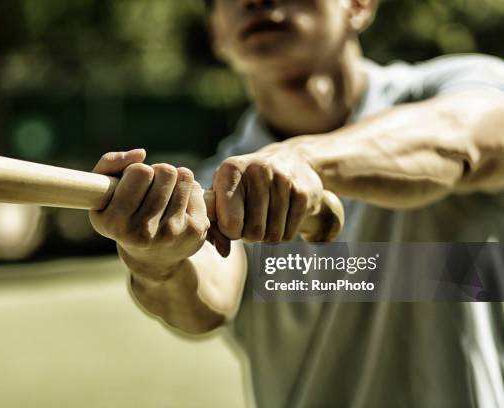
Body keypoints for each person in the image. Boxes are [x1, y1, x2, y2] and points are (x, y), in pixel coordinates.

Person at [89, 0, 504, 406]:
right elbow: (206, 302)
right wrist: (159, 264)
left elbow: (460, 139)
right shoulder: (215, 187)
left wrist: (306, 159)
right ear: (217, 33)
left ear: (359, 5)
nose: (257, 2)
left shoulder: (466, 83)